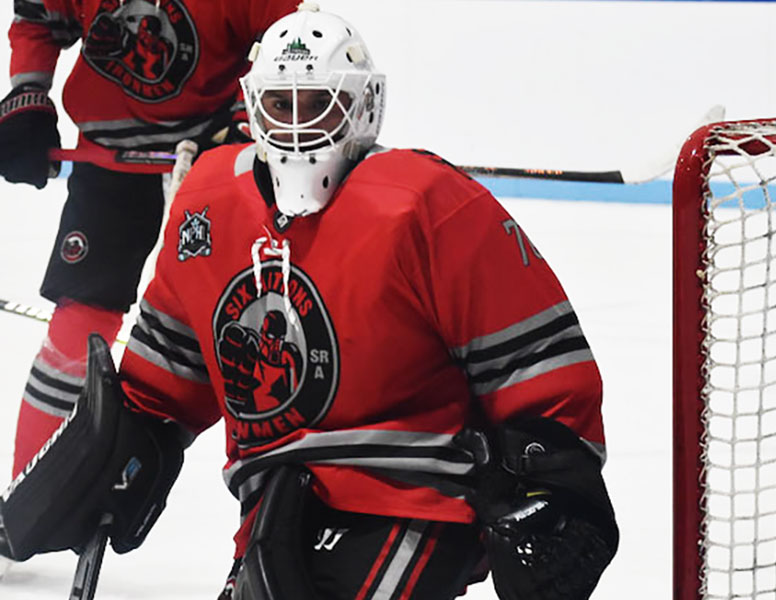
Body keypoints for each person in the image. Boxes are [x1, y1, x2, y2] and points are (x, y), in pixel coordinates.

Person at [0, 5, 619, 599]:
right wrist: (115, 442)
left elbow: (536, 360)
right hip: (276, 496)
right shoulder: (209, 203)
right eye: (280, 104)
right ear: (253, 107)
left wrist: (553, 480)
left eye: (318, 105)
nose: (297, 127)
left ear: (363, 107)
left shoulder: (426, 204)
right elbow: (163, 378)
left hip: (414, 493)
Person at [0, 0, 302, 483]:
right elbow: (40, 17)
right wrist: (28, 94)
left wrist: (245, 127)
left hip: (217, 161)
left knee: (250, 328)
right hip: (110, 158)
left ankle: (291, 488)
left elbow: (295, 43)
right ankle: (27, 490)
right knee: (80, 322)